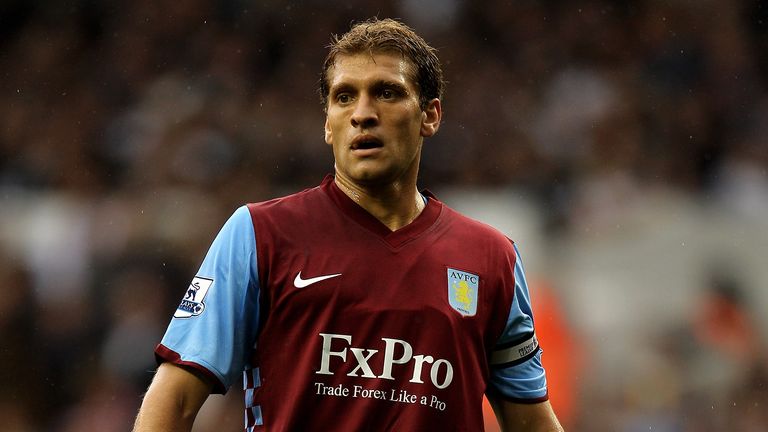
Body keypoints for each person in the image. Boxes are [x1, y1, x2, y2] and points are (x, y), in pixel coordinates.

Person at [133, 18, 563, 432]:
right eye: (344, 97)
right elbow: (173, 401)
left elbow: (531, 421)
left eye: (387, 93)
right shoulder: (259, 234)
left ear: (430, 116)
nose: (362, 113)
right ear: (327, 123)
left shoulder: (491, 258)